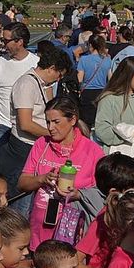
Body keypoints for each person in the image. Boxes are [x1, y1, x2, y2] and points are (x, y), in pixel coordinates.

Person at [19, 96, 104, 250]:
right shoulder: (41, 144)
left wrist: (78, 194)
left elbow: (102, 193)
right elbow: (22, 183)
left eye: (56, 122)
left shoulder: (93, 151)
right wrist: (42, 179)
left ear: (72, 120)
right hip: (40, 231)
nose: (50, 127)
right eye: (47, 122)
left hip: (74, 232)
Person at [0, 41, 69, 189]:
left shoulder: (42, 84)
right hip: (22, 148)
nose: (58, 79)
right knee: (20, 195)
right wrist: (53, 135)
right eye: (59, 75)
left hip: (35, 145)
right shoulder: (26, 84)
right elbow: (26, 124)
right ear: (51, 69)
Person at [0, 22, 37, 159]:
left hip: (27, 128)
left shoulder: (36, 64)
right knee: (0, 168)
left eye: (6, 40)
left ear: (20, 42)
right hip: (1, 125)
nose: (3, 44)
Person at [95, 57, 134, 158]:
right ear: (128, 75)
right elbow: (102, 130)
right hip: (117, 159)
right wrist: (129, 134)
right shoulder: (109, 99)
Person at [76, 33, 114, 128]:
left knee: (86, 122)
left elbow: (79, 79)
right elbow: (111, 79)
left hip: (87, 92)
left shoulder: (83, 60)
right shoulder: (107, 60)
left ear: (91, 45)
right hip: (102, 92)